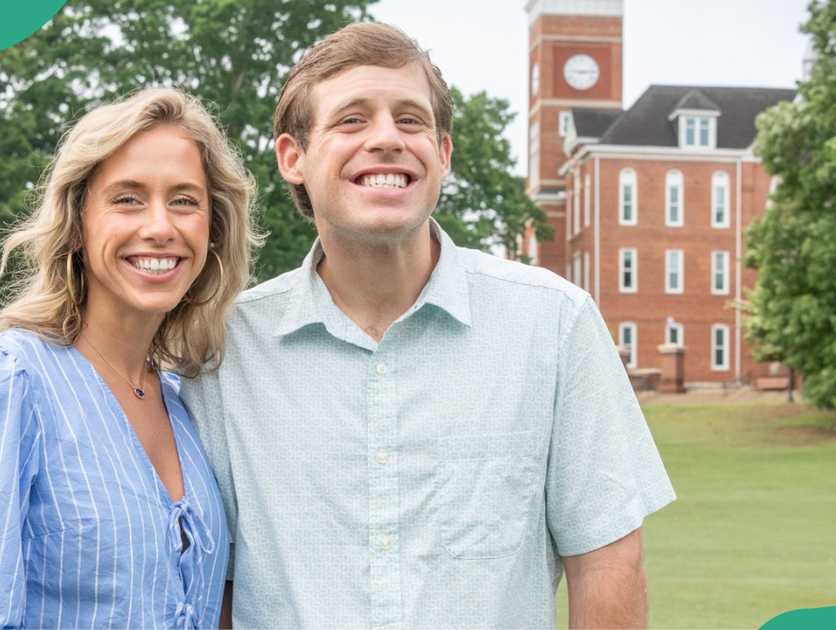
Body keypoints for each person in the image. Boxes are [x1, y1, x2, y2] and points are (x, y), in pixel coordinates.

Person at [181, 22, 676, 628]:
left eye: (411, 120)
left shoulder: (553, 324)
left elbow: (607, 566)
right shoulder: (224, 352)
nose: (387, 138)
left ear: (442, 154)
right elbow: (217, 587)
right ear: (294, 158)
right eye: (352, 120)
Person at [0, 87, 260, 629]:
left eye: (185, 200)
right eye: (128, 198)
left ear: (213, 230)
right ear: (76, 224)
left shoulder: (188, 406)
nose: (161, 226)